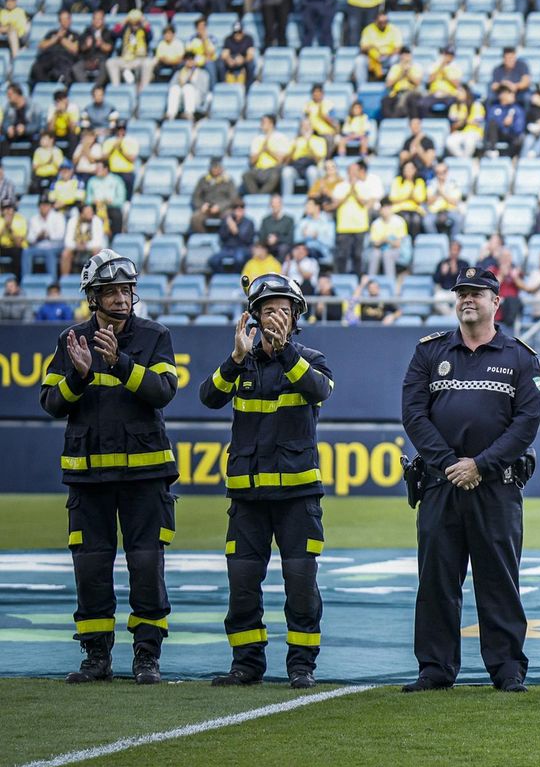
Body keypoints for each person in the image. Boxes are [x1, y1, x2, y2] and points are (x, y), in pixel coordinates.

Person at [400, 266, 540, 693]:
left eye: (477, 293)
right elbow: (413, 414)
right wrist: (450, 463)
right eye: (461, 293)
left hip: (496, 485)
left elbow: (526, 423)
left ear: (495, 302)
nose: (467, 299)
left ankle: (507, 669)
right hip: (441, 483)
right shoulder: (429, 351)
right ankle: (435, 668)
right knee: (437, 579)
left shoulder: (519, 355)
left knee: (498, 580)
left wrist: (480, 465)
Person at [40, 250, 179, 686]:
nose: (121, 298)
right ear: (93, 296)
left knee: (145, 565)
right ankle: (96, 656)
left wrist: (120, 363)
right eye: (111, 291)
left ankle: (146, 656)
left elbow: (162, 391)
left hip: (145, 476)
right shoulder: (71, 340)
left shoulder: (155, 335)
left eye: (126, 290)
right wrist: (78, 377)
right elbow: (50, 402)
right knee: (91, 568)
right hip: (89, 478)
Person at [197, 275, 332, 688]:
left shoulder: (311, 359)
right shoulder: (242, 363)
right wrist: (235, 359)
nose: (276, 316)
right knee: (241, 586)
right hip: (248, 498)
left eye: (283, 310)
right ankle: (247, 663)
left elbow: (318, 389)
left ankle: (301, 666)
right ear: (253, 317)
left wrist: (286, 352)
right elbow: (209, 397)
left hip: (297, 498)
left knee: (301, 587)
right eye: (268, 309)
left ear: (295, 319)